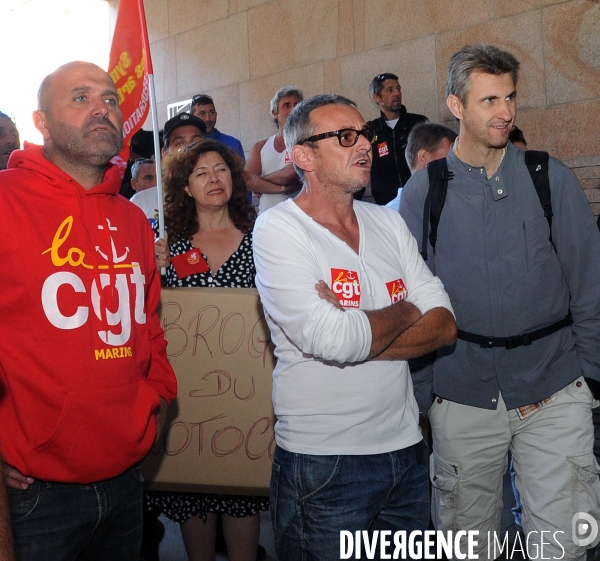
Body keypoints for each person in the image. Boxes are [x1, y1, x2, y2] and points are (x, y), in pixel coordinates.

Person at [400, 44, 600, 560]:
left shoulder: (547, 176)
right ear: (456, 106)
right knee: (467, 546)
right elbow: (410, 304)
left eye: (510, 97)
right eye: (489, 100)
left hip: (554, 389)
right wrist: (424, 395)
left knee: (564, 546)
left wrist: (591, 377)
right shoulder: (425, 192)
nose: (506, 112)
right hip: (461, 396)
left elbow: (589, 283)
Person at [253, 94, 456, 561]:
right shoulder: (277, 229)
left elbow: (444, 325)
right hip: (323, 462)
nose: (363, 144)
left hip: (406, 451)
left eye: (363, 132)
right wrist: (406, 307)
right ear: (302, 155)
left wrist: (353, 331)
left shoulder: (387, 220)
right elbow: (330, 338)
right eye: (345, 137)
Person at [0, 61, 178, 561]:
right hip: (32, 496)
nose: (102, 107)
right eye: (80, 98)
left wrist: (158, 400)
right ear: (41, 122)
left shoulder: (132, 219)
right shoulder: (4, 202)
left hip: (127, 485)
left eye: (109, 98)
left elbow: (149, 328)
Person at [147, 139, 268, 561]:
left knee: (243, 517)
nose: (213, 179)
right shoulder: (168, 248)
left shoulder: (262, 242)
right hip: (188, 410)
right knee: (195, 522)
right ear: (185, 187)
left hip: (246, 409)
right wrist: (153, 274)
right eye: (201, 173)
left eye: (221, 170)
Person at [366, 72, 428, 205]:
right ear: (377, 97)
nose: (396, 94)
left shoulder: (419, 123)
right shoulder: (371, 130)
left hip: (420, 200)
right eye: (390, 90)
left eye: (398, 89)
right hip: (386, 206)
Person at [131, 113, 206, 220]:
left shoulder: (219, 194)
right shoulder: (141, 202)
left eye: (196, 142)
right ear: (165, 154)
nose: (189, 149)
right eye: (179, 144)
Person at [245, 86, 303, 214]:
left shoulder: (306, 143)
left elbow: (291, 174)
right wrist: (282, 189)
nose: (293, 109)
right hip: (267, 218)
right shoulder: (260, 146)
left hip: (297, 219)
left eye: (297, 104)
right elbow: (246, 180)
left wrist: (259, 182)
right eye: (286, 105)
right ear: (275, 113)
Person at [386, 122, 457, 211]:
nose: (456, 168)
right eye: (449, 160)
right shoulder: (388, 217)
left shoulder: (454, 207)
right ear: (423, 158)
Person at [190, 94, 245, 160]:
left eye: (211, 113)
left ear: (216, 115)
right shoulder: (187, 145)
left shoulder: (233, 144)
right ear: (192, 117)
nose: (208, 118)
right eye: (202, 113)